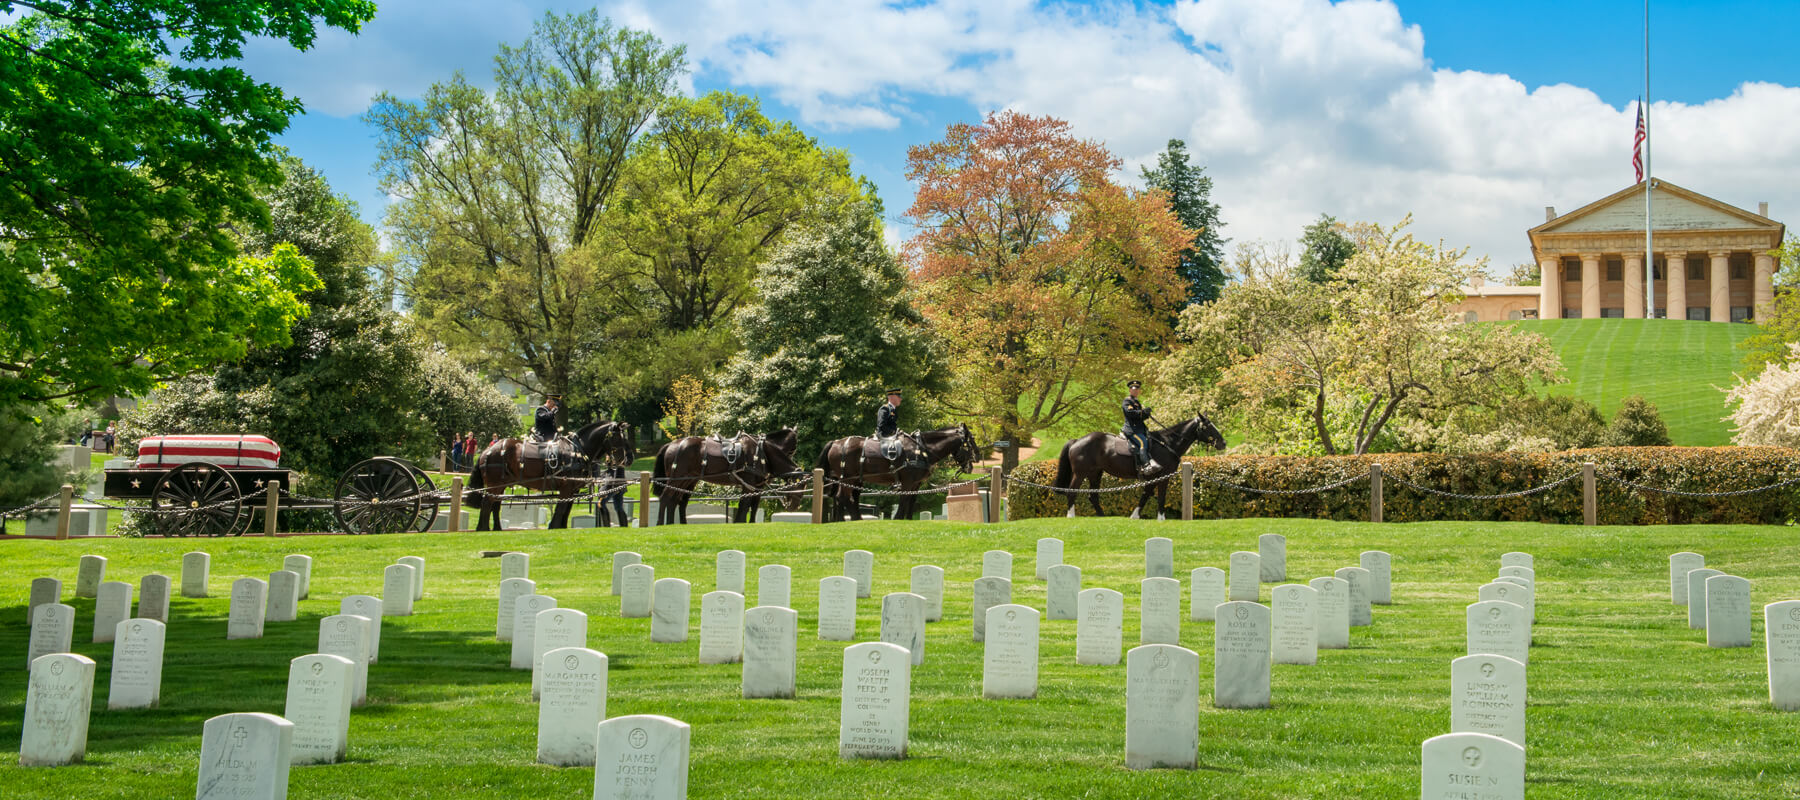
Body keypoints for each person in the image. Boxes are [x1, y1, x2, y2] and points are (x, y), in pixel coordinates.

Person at [1122, 380, 1158, 475]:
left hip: (1140, 429)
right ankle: (1146, 465)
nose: (1136, 390)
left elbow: (1139, 417)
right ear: (1130, 390)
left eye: (1138, 389)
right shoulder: (1127, 401)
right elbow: (1130, 413)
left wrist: (1146, 413)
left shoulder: (1136, 402)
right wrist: (1142, 412)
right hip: (1131, 430)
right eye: (1134, 389)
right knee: (1143, 443)